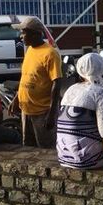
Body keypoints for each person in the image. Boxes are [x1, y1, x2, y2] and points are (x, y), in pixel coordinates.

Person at [57, 53, 103, 169]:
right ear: (102, 69)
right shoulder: (101, 93)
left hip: (63, 157)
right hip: (87, 160)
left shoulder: (70, 89)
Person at [9, 17, 62, 148]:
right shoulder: (30, 50)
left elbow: (57, 83)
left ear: (36, 33)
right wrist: (17, 99)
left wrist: (52, 113)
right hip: (26, 110)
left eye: (24, 32)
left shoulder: (50, 53)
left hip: (42, 112)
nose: (21, 36)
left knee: (46, 149)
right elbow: (26, 77)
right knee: (28, 146)